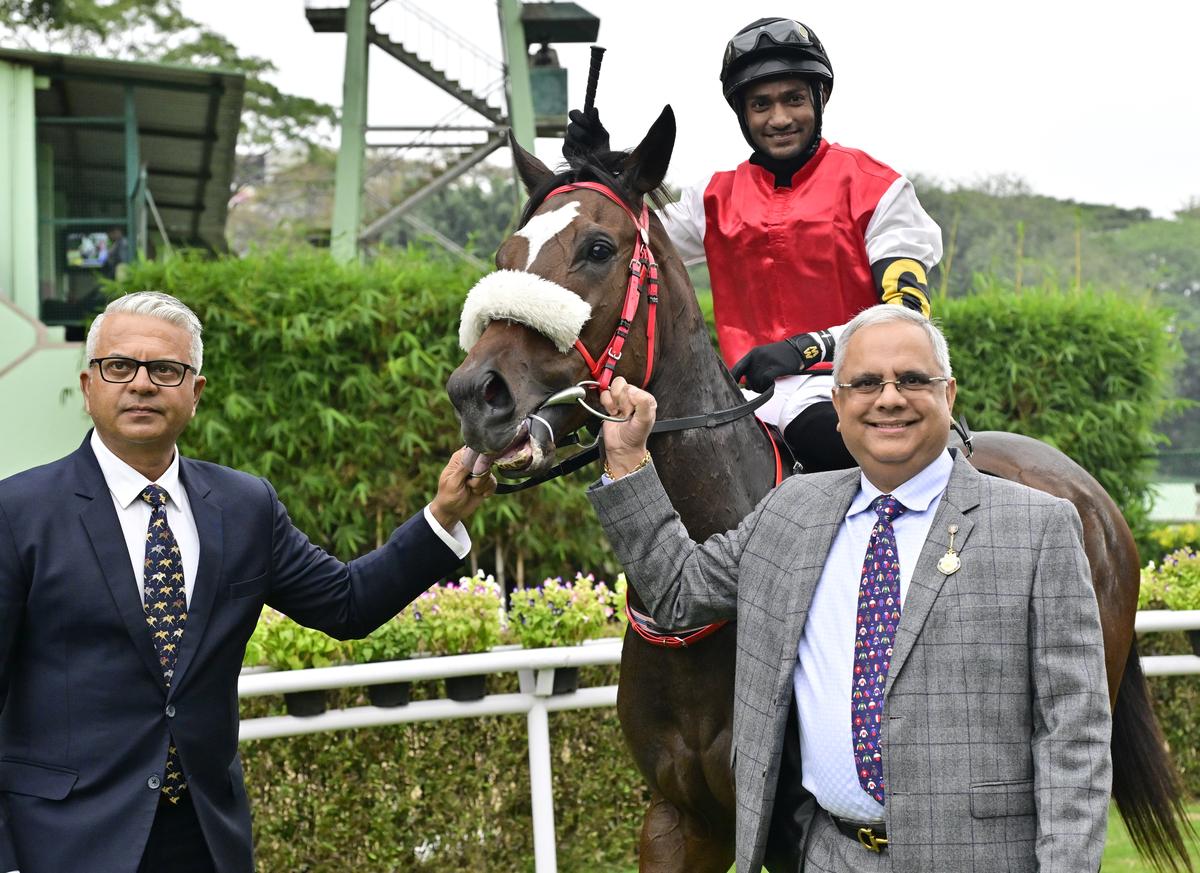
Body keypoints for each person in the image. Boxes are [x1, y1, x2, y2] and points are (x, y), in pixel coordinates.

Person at [588, 304, 1111, 872]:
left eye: (912, 379)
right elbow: (675, 591)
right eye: (863, 383)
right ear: (836, 404)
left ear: (949, 394)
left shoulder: (1039, 527)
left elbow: (1073, 733)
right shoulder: (790, 512)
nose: (888, 398)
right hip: (830, 857)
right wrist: (627, 460)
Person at [0, 291, 496, 873]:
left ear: (195, 392)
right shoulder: (19, 513)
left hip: (207, 839)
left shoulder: (242, 506)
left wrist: (444, 515)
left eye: (165, 369)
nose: (141, 384)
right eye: (119, 367)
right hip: (59, 844)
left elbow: (347, 604)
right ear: (89, 387)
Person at [565, 17, 943, 473]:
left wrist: (807, 347)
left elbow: (908, 313)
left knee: (820, 439)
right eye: (761, 104)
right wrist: (601, 169)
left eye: (794, 100)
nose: (779, 119)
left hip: (851, 387)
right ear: (742, 114)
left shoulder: (879, 189)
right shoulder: (712, 199)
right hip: (743, 396)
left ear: (819, 99)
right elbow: (618, 242)